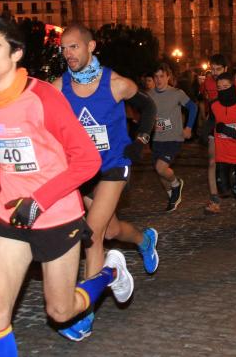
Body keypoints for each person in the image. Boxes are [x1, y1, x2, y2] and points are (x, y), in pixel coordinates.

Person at [0, 17, 133, 355]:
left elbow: (86, 160)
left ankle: (108, 273)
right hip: (12, 218)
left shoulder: (43, 97)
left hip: (56, 217)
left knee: (61, 311)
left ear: (16, 53)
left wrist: (38, 200)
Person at [54, 23, 157, 340]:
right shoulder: (59, 87)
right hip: (82, 172)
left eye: (74, 47)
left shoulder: (116, 84)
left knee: (93, 234)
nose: (68, 53)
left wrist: (139, 141)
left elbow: (148, 107)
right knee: (111, 229)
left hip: (113, 166)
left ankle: (84, 313)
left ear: (91, 47)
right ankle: (143, 240)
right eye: (64, 48)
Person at [200, 54, 236, 214]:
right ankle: (214, 199)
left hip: (233, 130)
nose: (214, 72)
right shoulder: (207, 82)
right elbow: (207, 103)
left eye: (218, 69)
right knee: (213, 161)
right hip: (216, 127)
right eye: (212, 69)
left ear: (226, 69)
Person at [147, 62, 197, 212]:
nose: (158, 80)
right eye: (156, 77)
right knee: (160, 172)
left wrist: (188, 127)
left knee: (161, 167)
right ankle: (172, 196)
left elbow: (193, 107)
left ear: (168, 77)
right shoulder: (149, 95)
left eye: (162, 76)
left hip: (174, 138)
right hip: (157, 139)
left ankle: (176, 184)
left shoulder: (177, 93)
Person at [206, 72, 236, 230]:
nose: (222, 90)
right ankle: (234, 187)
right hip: (222, 155)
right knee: (223, 189)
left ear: (233, 87)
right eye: (219, 88)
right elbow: (210, 123)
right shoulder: (213, 105)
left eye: (226, 87)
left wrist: (225, 129)